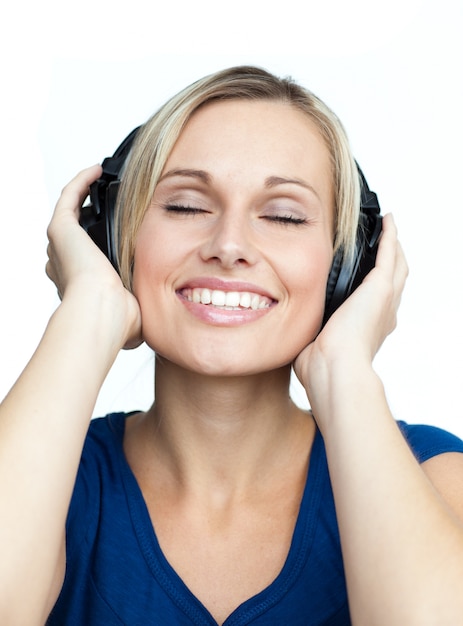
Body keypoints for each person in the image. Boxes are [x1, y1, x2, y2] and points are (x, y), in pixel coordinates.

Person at [1, 66, 463, 626]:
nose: (229, 245)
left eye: (284, 215)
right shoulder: (48, 472)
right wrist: (89, 312)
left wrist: (344, 369)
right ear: (114, 239)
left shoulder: (434, 474)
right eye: (186, 207)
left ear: (347, 268)